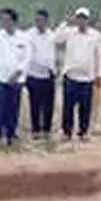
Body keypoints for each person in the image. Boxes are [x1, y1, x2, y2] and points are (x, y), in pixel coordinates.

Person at [54, 7, 101, 141]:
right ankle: (66, 132)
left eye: (84, 18)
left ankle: (83, 132)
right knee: (68, 107)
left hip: (87, 78)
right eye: (79, 18)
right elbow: (56, 39)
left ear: (88, 20)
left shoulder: (95, 36)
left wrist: (99, 74)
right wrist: (65, 22)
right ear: (76, 19)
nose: (81, 21)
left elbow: (99, 56)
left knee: (85, 108)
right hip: (71, 76)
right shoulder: (69, 32)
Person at [0, 7, 32, 146]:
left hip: (16, 79)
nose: (5, 23)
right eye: (3, 20)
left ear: (14, 21)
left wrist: (18, 73)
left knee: (13, 108)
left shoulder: (23, 37)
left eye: (8, 20)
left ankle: (10, 134)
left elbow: (27, 58)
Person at [25, 8, 58, 139]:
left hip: (48, 74)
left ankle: (47, 130)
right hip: (33, 74)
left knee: (48, 104)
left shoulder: (52, 35)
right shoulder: (29, 35)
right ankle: (36, 130)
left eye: (42, 20)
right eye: (37, 20)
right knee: (35, 103)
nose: (39, 23)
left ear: (47, 21)